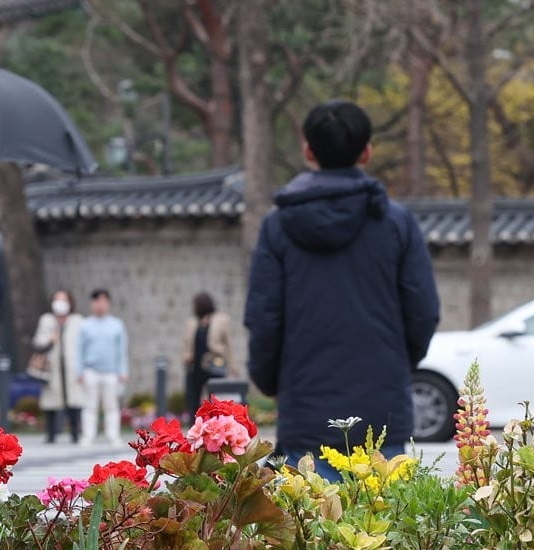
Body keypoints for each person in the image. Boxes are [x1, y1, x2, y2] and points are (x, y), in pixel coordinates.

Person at [244, 100, 440, 481]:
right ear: (366, 152)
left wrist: (273, 381)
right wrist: (398, 364)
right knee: (386, 531)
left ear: (308, 150)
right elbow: (423, 311)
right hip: (382, 408)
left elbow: (264, 318)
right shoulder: (395, 223)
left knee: (311, 533)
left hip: (305, 408)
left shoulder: (278, 227)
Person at [77, 289, 128, 446]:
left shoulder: (117, 325)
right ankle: (88, 435)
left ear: (108, 303)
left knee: (111, 405)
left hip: (111, 371)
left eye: (104, 301)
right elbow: (79, 349)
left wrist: (123, 371)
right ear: (92, 304)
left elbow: (122, 350)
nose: (100, 305)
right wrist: (79, 371)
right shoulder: (85, 325)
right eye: (97, 301)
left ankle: (113, 434)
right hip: (91, 370)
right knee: (89, 405)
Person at [32, 290, 85, 443]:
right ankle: (51, 434)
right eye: (57, 299)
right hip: (51, 366)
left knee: (74, 401)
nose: (60, 303)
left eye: (64, 300)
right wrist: (50, 340)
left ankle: (75, 433)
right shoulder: (46, 319)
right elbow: (38, 342)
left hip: (72, 366)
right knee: (51, 401)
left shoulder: (78, 320)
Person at [181, 292, 234, 420]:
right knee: (193, 400)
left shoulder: (221, 319)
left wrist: (232, 367)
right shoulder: (192, 322)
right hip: (195, 367)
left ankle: (216, 427)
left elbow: (228, 344)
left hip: (214, 364)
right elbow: (186, 343)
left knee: (216, 401)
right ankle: (194, 428)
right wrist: (186, 356)